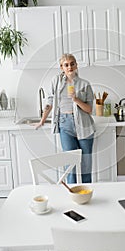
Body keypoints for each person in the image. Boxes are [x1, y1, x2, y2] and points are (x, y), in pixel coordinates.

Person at [35, 53, 95, 183]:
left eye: (72, 63)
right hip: (65, 124)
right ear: (61, 67)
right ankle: (72, 193)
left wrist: (76, 99)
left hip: (84, 125)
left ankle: (86, 193)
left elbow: (89, 110)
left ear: (76, 65)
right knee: (69, 163)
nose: (70, 67)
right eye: (66, 65)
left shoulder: (85, 84)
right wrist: (42, 121)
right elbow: (50, 102)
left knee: (85, 164)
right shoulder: (56, 81)